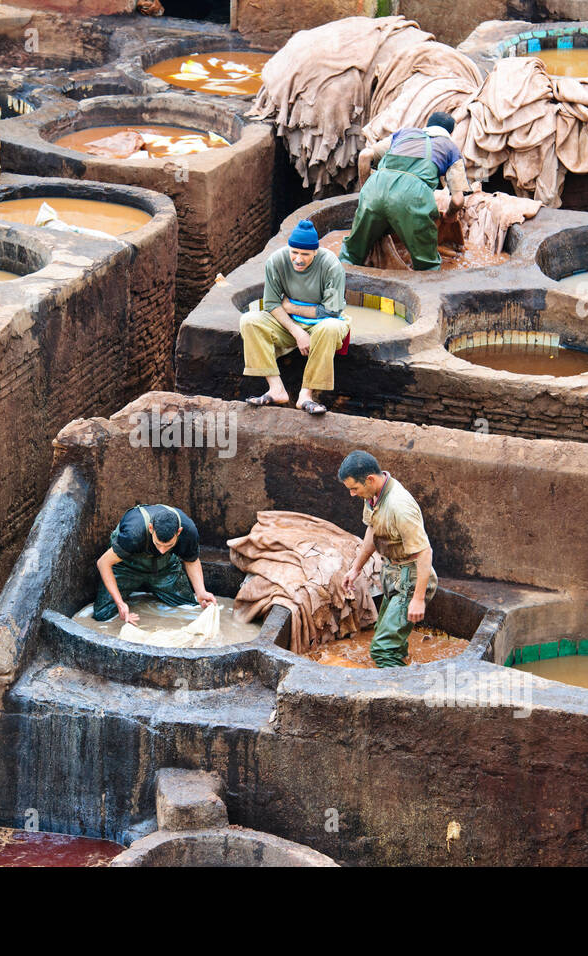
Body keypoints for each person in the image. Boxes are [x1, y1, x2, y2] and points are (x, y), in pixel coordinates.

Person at [338, 450, 437, 668]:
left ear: (370, 479)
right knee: (392, 644)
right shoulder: (373, 495)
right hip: (391, 571)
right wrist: (355, 569)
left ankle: (404, 696)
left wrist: (418, 599)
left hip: (409, 576)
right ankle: (404, 670)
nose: (352, 494)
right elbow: (373, 530)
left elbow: (424, 552)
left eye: (354, 488)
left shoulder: (399, 506)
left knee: (382, 650)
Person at [241, 219, 349, 416]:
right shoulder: (277, 261)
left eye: (305, 254)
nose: (298, 259)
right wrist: (297, 331)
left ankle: (306, 395)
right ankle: (276, 389)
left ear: (315, 252)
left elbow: (331, 312)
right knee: (249, 320)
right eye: (295, 252)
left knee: (331, 327)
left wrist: (291, 306)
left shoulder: (331, 265)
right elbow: (272, 304)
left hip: (323, 326)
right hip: (288, 325)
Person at [340, 110, 470, 271]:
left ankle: (338, 289)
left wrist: (366, 192)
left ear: (427, 126)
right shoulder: (450, 148)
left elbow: (365, 156)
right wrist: (450, 215)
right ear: (450, 133)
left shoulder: (403, 134)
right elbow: (458, 200)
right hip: (413, 198)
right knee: (427, 267)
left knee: (351, 254)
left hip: (376, 187)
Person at [93, 504, 217, 623]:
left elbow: (191, 560)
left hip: (164, 568)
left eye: (169, 545)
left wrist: (201, 592)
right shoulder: (134, 533)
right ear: (151, 528)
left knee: (190, 608)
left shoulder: (188, 531)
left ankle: (155, 587)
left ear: (179, 532)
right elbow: (103, 563)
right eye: (158, 544)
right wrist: (120, 603)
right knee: (102, 614)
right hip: (126, 568)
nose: (162, 550)